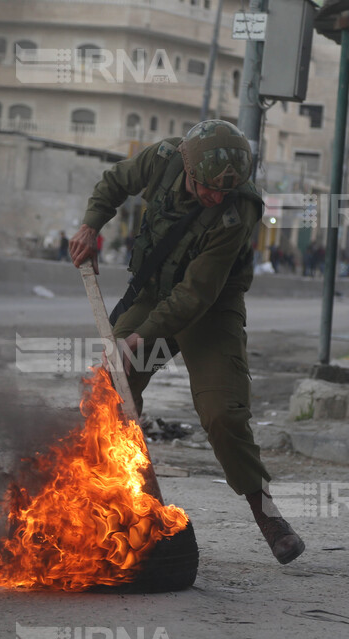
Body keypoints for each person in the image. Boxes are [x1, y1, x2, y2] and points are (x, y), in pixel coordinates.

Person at [69, 119, 305, 565]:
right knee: (109, 388)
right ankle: (125, 511)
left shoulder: (240, 211)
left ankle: (268, 515)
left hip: (210, 312)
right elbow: (114, 182)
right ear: (188, 169)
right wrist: (90, 226)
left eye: (225, 190)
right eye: (209, 189)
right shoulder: (162, 159)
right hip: (154, 295)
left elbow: (196, 294)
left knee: (222, 414)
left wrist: (138, 338)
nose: (218, 197)